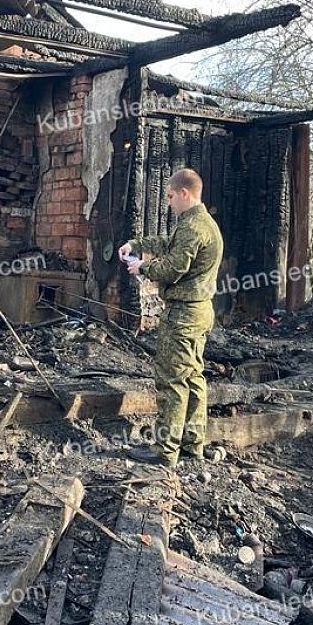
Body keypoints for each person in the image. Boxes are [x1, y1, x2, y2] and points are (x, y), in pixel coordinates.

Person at [119, 168, 224, 467]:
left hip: (183, 315)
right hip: (198, 311)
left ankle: (165, 450)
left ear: (184, 194)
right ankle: (192, 443)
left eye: (169, 196)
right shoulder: (199, 224)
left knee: (171, 381)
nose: (168, 202)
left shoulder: (193, 228)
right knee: (193, 378)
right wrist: (137, 244)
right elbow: (170, 244)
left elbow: (174, 267)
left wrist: (142, 268)